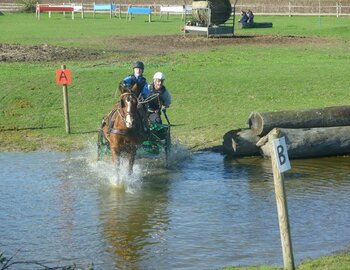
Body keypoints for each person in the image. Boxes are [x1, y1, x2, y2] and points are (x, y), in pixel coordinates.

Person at [122, 61, 150, 133]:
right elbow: (123, 82)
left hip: (139, 101)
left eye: (140, 69)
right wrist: (125, 85)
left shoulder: (144, 81)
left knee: (141, 111)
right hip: (129, 98)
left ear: (142, 70)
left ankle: (145, 127)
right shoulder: (130, 78)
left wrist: (142, 96)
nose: (138, 70)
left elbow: (146, 92)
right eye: (137, 68)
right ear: (134, 70)